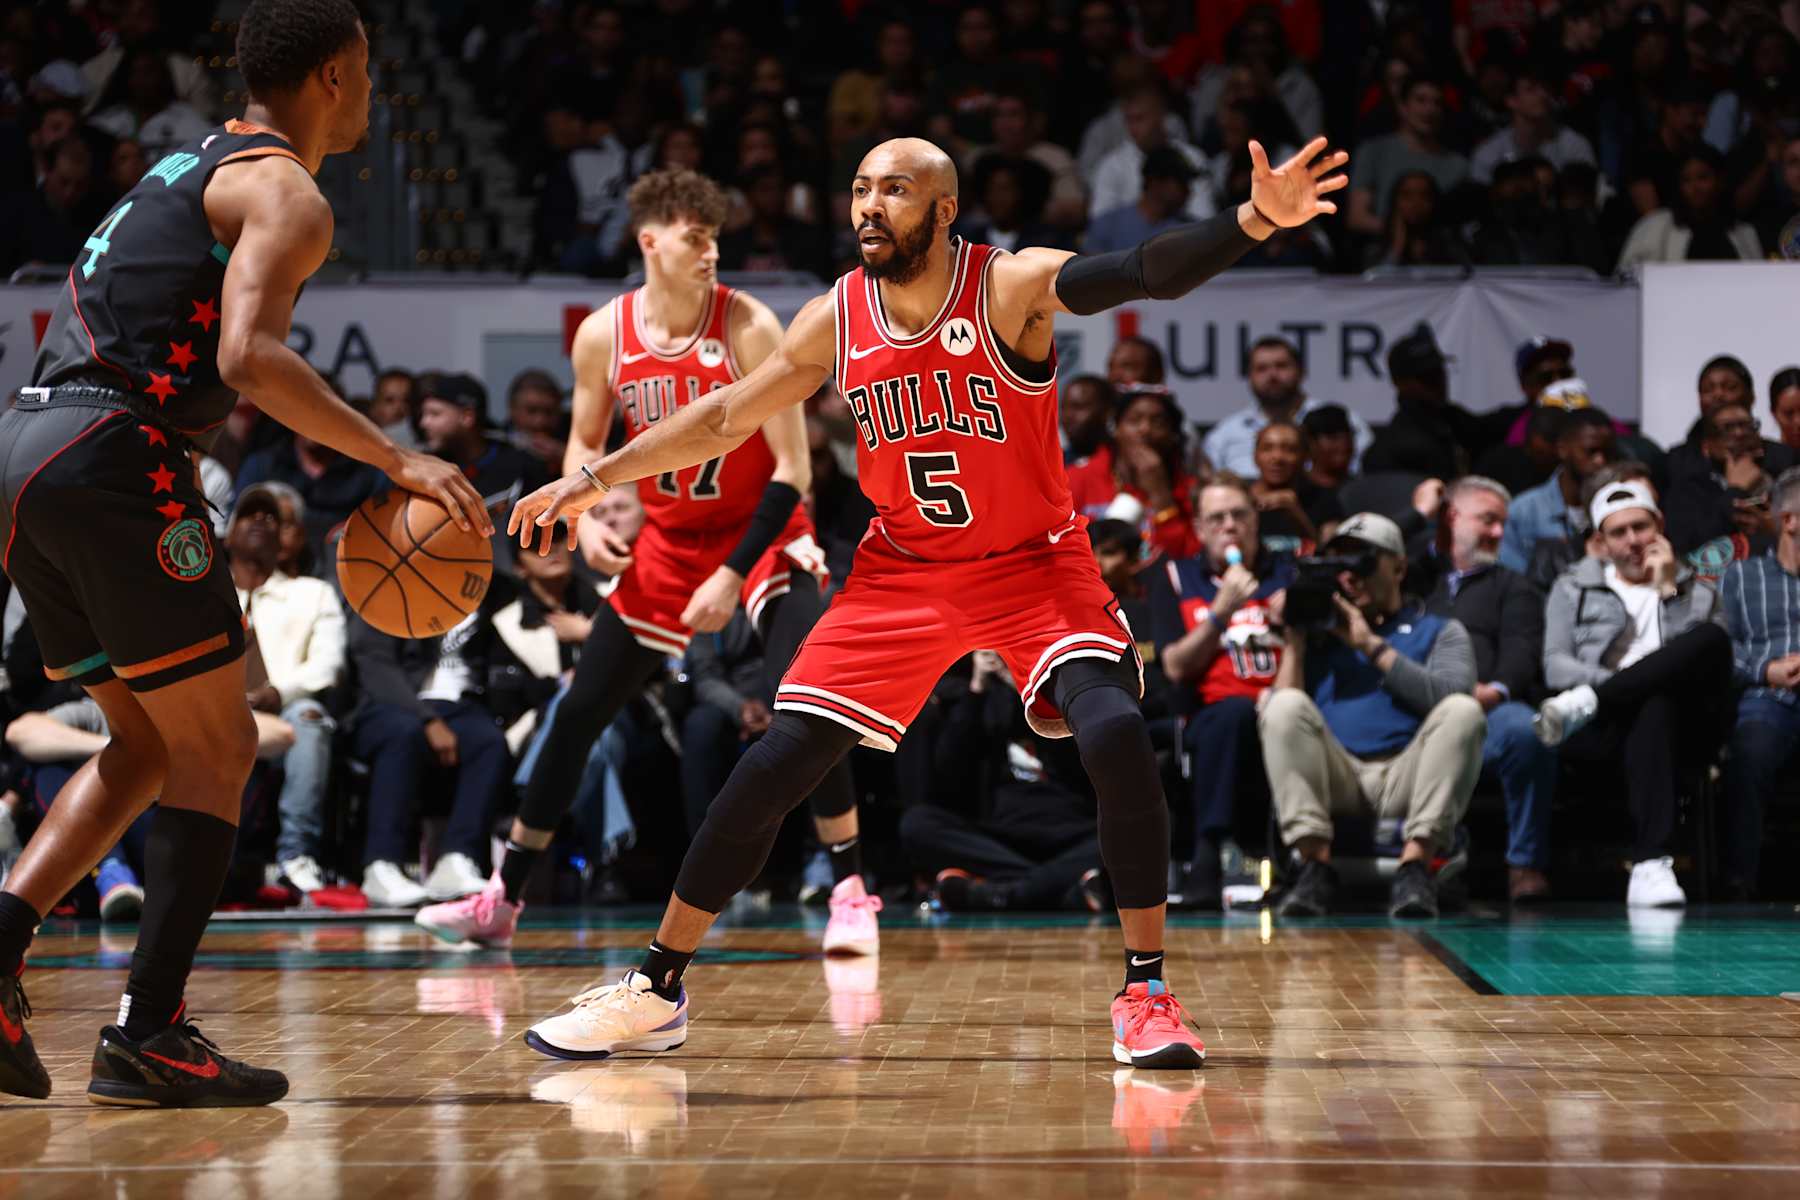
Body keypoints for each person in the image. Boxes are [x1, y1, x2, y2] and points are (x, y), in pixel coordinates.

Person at [509, 133, 1348, 1068]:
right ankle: (655, 989)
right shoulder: (836, 315)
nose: (869, 205)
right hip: (903, 571)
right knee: (776, 763)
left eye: (895, 190)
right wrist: (592, 478)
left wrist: (1251, 220)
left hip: (1035, 561)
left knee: (1111, 730)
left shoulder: (1010, 284)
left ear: (944, 210)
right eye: (860, 187)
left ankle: (1146, 990)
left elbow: (1144, 268)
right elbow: (721, 417)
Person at [0, 0, 489, 1108]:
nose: (372, 91)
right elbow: (251, 356)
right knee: (219, 746)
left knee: (143, 748)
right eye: (365, 70)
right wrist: (397, 459)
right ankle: (151, 1032)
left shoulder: (188, 161)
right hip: (118, 451)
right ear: (330, 76)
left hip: (29, 449)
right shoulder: (287, 191)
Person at [419, 168, 868, 956]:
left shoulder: (750, 325)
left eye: (717, 238)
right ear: (649, 240)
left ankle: (852, 890)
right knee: (579, 707)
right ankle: (503, 898)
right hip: (667, 540)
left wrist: (734, 572)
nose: (711, 252)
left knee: (808, 694)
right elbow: (585, 443)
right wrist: (587, 518)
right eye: (696, 238)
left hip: (760, 534)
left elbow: (795, 471)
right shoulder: (604, 334)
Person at [1260, 513, 1485, 920]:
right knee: (1280, 705)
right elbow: (1283, 714)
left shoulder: (1438, 630)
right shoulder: (1320, 636)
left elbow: (1452, 695)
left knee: (1464, 712)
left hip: (1406, 774)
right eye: (1340, 567)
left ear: (1398, 567)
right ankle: (1314, 866)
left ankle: (1415, 866)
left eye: (1363, 562)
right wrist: (1295, 636)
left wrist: (1370, 646)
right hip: (1338, 774)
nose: (1351, 577)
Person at [1533, 481, 1734, 908]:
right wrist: (1624, 685)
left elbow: (1701, 665)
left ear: (1659, 525)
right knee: (1651, 701)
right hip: (1601, 728)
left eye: (1640, 527)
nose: (1633, 541)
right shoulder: (1572, 588)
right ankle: (1650, 863)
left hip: (1680, 725)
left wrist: (1668, 591)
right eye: (1618, 532)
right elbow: (1554, 664)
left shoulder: (1695, 588)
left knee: (1710, 639)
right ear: (1600, 542)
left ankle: (1650, 865)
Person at [1150, 476, 1295, 908]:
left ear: (1256, 521)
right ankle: (1208, 856)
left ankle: (1296, 866)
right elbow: (1175, 666)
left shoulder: (1287, 574)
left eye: (1239, 515)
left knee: (1285, 714)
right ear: (1198, 528)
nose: (1229, 526)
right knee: (1231, 715)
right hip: (1209, 716)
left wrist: (1294, 624)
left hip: (1280, 706)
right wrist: (1221, 612)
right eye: (1217, 518)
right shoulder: (1177, 577)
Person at [1419, 478, 1557, 903]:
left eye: (1503, 523)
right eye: (1488, 520)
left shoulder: (1514, 586)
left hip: (1485, 709)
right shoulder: (1416, 579)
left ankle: (1525, 865)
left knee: (1526, 731)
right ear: (1453, 518)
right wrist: (1422, 517)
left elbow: (1522, 649)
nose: (1499, 533)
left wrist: (1493, 691)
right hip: (1414, 705)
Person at [228, 483, 346, 900]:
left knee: (310, 716)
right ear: (228, 531)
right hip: (212, 711)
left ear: (286, 539)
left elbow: (326, 664)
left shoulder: (312, 594)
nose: (261, 522)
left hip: (284, 712)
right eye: (250, 514)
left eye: (272, 518)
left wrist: (276, 693)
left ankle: (296, 856)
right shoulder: (205, 595)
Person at [1720, 467, 1800, 900]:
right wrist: (1764, 669)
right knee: (1750, 748)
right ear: (1791, 520)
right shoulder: (1740, 577)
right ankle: (1739, 882)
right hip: (1769, 695)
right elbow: (1718, 648)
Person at [1202, 336, 1372, 479]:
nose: (1272, 375)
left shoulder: (1339, 421)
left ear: (1301, 371)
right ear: (1249, 376)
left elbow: (1364, 477)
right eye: (1262, 369)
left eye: (1281, 366)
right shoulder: (1225, 433)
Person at [1346, 75, 1470, 238]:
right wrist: (1402, 234)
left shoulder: (1458, 165)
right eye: (1421, 100)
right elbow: (1356, 217)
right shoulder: (1373, 152)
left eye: (1437, 103)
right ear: (1402, 107)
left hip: (1439, 255)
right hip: (1380, 251)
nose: (1429, 110)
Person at [1498, 407, 1617, 573]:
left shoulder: (1618, 506)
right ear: (1562, 449)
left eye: (1608, 453)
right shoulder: (1524, 511)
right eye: (1591, 451)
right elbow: (1510, 577)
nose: (1600, 461)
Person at [416, 371, 552, 500]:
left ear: (466, 417)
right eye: (424, 414)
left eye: (435, 414)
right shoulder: (424, 468)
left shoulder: (523, 468)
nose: (424, 423)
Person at [1469, 66, 1597, 184]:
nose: (1543, 95)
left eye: (1545, 88)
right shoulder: (1489, 154)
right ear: (1511, 100)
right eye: (1531, 89)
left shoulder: (1574, 145)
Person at [1250, 421, 1342, 555]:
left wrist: (1296, 515)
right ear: (1255, 456)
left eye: (1289, 450)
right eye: (1267, 448)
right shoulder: (1239, 498)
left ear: (1306, 456)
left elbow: (1330, 557)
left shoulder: (1323, 499)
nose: (1277, 458)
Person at [1085, 146, 1197, 254]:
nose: (1188, 191)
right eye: (1181, 183)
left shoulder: (1192, 230)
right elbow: (1090, 270)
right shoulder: (1108, 226)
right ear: (1155, 182)